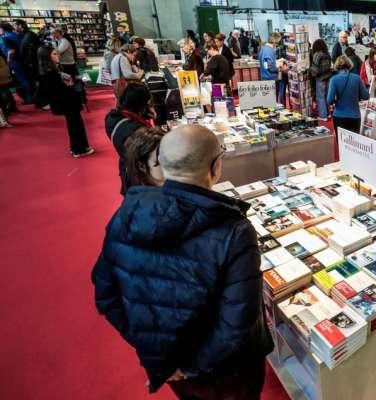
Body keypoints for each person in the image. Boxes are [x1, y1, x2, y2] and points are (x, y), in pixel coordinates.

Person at [92, 124, 273, 399]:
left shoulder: (126, 214)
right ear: (216, 168)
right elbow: (237, 321)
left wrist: (158, 354)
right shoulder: (234, 230)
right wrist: (192, 366)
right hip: (228, 370)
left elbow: (106, 297)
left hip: (172, 370)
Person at [38, 46, 93, 158]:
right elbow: (57, 90)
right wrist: (69, 84)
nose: (57, 55)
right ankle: (79, 149)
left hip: (68, 101)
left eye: (56, 53)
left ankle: (80, 147)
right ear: (46, 57)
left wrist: (72, 80)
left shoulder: (54, 69)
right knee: (74, 125)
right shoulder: (49, 72)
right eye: (54, 54)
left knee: (76, 124)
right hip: (66, 102)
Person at [105, 83, 154, 194]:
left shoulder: (112, 117)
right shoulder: (136, 132)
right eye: (147, 103)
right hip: (141, 180)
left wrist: (143, 115)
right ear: (141, 105)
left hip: (127, 170)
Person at [326, 55, 369, 148]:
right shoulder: (357, 78)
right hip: (354, 115)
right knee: (354, 145)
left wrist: (336, 100)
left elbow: (329, 100)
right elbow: (366, 96)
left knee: (342, 145)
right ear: (349, 65)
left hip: (339, 116)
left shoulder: (334, 80)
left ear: (337, 66)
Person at [309, 39, 332, 121]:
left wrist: (309, 71)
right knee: (326, 96)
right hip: (328, 77)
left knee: (320, 97)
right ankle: (328, 113)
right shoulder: (327, 54)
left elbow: (315, 70)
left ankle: (323, 115)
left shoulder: (317, 55)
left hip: (320, 78)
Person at [259, 33, 285, 105]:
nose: (277, 44)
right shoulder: (269, 50)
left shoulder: (263, 48)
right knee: (272, 101)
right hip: (271, 78)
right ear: (274, 41)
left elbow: (266, 63)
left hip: (264, 77)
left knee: (268, 101)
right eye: (277, 42)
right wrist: (280, 68)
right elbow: (271, 67)